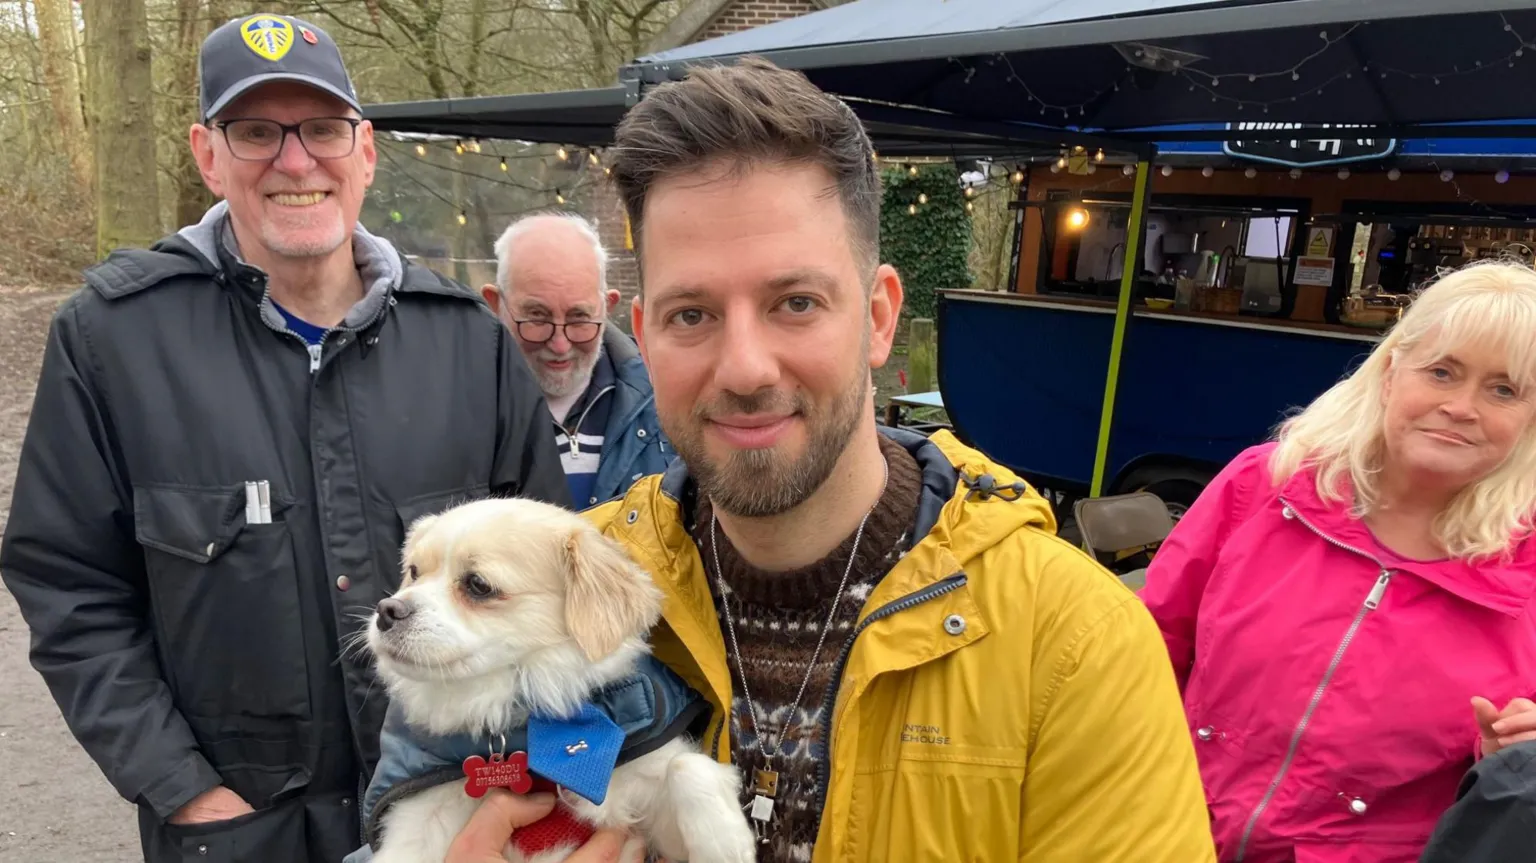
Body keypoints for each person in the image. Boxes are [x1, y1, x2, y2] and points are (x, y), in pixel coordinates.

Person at [442, 55, 1216, 862]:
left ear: (878, 317)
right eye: (692, 313)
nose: (744, 367)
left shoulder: (1074, 647)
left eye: (796, 303)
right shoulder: (555, 583)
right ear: (643, 332)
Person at [0, 13, 569, 863]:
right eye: (256, 132)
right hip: (239, 836)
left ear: (365, 151)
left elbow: (556, 581)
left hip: (461, 825)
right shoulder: (112, 341)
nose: (295, 161)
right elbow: (70, 588)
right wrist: (186, 793)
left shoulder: (468, 344)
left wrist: (536, 785)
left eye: (323, 130)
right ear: (207, 154)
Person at [1139, 259, 1536, 862]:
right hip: (1171, 832)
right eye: (1442, 371)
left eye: (1503, 389)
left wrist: (1517, 756)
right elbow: (1146, 649)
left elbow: (1510, 795)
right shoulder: (1262, 484)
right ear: (1390, 372)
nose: (1461, 406)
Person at [480, 212, 671, 507]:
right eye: (537, 317)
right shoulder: (458, 412)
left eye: (579, 318)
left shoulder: (666, 399)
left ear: (607, 306)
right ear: (495, 305)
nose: (559, 344)